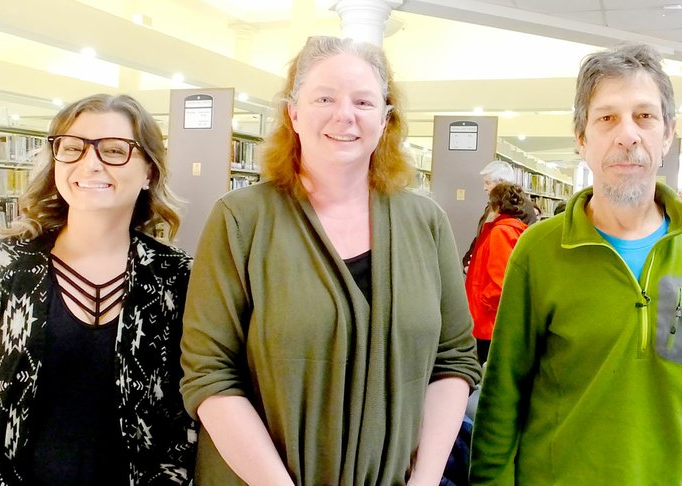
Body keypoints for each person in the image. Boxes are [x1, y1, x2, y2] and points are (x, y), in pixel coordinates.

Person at [180, 36, 481, 485]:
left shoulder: (426, 223)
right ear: (293, 113)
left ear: (385, 119)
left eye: (363, 101)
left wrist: (424, 480)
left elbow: (454, 360)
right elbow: (209, 372)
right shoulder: (241, 220)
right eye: (324, 97)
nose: (345, 115)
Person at [470, 43, 682, 485]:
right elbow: (503, 393)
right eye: (607, 118)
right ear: (581, 138)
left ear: (667, 134)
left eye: (644, 116)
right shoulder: (538, 251)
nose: (628, 135)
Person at [0, 94, 197, 485]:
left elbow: (186, 418)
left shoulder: (177, 278)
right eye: (72, 148)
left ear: (149, 173)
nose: (90, 163)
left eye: (114, 150)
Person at [465, 182, 536, 363]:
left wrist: (486, 304)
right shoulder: (510, 229)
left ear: (496, 205)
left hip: (490, 321)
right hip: (492, 319)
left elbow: (500, 280)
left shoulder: (501, 232)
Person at [462, 160, 516, 272]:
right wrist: (468, 260)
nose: (484, 188)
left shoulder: (519, 211)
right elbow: (481, 237)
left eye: (487, 182)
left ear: (501, 182)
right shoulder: (491, 207)